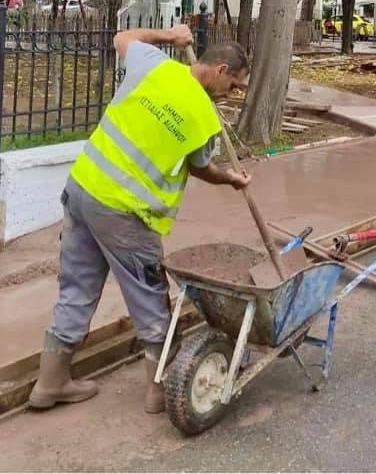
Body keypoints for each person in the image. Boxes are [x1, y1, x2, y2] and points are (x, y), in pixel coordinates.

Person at [28, 24, 251, 414]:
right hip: (126, 213)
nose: (231, 95)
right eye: (233, 85)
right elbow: (201, 168)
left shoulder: (154, 64)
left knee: (77, 288)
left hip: (83, 189)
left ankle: (50, 383)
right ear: (219, 70)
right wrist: (230, 179)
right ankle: (158, 390)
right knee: (150, 298)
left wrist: (168, 36)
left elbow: (122, 38)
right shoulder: (202, 117)